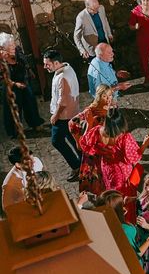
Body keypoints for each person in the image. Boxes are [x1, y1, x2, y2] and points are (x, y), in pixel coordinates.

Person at [79, 107, 149, 197]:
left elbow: (84, 143)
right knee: (124, 192)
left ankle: (113, 202)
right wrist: (145, 144)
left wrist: (89, 123)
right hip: (122, 172)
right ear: (121, 123)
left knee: (110, 188)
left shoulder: (97, 131)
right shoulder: (124, 138)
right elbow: (133, 158)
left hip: (106, 167)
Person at [43, 49, 82, 179]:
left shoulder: (62, 77)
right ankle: (84, 163)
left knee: (57, 141)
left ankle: (76, 166)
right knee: (73, 139)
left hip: (64, 115)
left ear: (56, 63)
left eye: (47, 64)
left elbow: (63, 100)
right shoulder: (67, 67)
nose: (45, 67)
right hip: (73, 111)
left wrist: (55, 115)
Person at [69, 84, 113, 194]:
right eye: (105, 96)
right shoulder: (90, 111)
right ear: (98, 97)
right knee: (97, 178)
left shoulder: (108, 108)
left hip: (107, 147)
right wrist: (78, 141)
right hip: (95, 150)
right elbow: (72, 123)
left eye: (110, 96)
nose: (108, 99)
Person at [0, 33, 44, 137]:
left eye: (13, 44)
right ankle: (15, 131)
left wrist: (29, 71)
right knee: (14, 108)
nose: (13, 46)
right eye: (10, 45)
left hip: (23, 80)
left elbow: (24, 60)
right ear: (3, 47)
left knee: (30, 102)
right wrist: (15, 84)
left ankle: (35, 123)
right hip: (10, 86)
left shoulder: (17, 50)